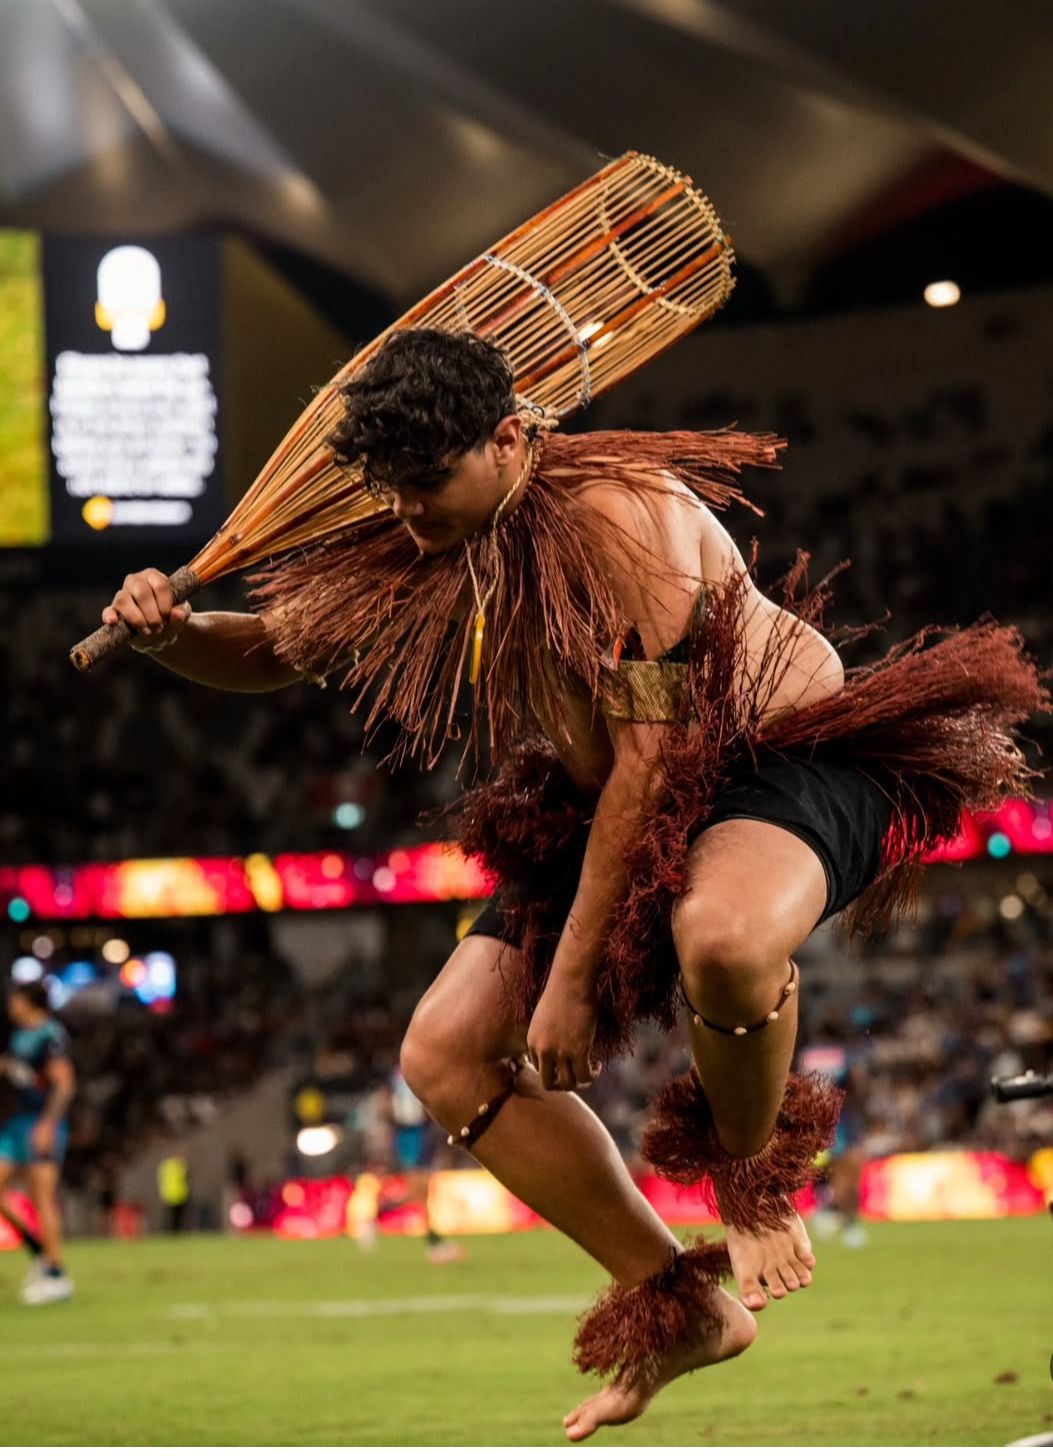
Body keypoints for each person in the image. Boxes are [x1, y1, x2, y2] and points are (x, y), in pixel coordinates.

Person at [99, 328, 1047, 1439]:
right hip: (609, 793)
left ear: (510, 437)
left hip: (773, 763)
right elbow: (266, 650)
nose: (408, 513)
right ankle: (680, 1303)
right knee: (442, 1052)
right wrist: (169, 637)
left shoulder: (617, 516)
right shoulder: (423, 534)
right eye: (392, 490)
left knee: (726, 943)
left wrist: (571, 981)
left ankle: (750, 1175)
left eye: (430, 483)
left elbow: (655, 761)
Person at [0, 981, 76, 1304]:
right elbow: (25, 1075)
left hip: (41, 1123)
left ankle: (56, 1273)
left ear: (29, 1002)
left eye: (15, 999)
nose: (11, 1005)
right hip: (15, 1123)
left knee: (42, 1194)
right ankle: (38, 1250)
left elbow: (64, 1083)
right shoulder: (17, 1036)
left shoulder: (51, 1034)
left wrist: (48, 1123)